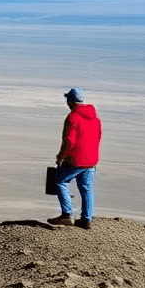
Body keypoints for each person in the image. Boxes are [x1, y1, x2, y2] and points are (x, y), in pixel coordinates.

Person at [48, 87, 102, 229]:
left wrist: (61, 157)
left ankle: (66, 215)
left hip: (76, 159)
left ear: (71, 101)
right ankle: (86, 220)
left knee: (60, 181)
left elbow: (69, 140)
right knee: (87, 188)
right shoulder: (95, 118)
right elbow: (98, 137)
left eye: (68, 99)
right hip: (91, 160)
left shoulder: (73, 117)